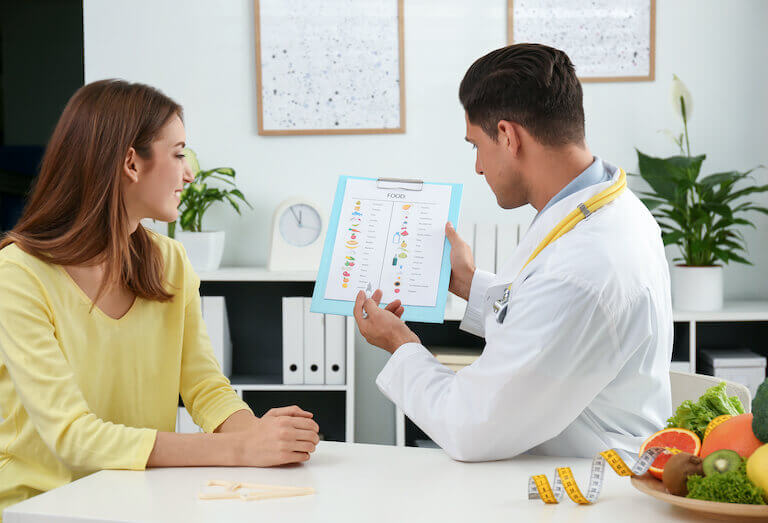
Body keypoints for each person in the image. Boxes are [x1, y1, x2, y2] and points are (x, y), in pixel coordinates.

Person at [0, 80, 320, 515]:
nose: (189, 172)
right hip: (41, 507)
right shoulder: (18, 275)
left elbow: (204, 387)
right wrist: (238, 450)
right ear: (131, 162)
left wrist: (262, 436)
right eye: (178, 152)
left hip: (138, 500)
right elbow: (72, 435)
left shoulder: (170, 261)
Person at [353, 43, 673, 462]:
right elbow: (541, 320)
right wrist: (468, 283)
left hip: (588, 482)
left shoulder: (582, 268)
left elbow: (470, 428)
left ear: (507, 135)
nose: (479, 167)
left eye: (476, 146)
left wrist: (400, 343)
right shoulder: (605, 206)